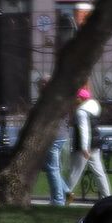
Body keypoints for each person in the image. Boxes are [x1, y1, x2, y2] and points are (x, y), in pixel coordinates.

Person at [66, 86, 111, 201]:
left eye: (76, 97)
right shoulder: (93, 108)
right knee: (100, 173)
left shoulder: (82, 111)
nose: (75, 99)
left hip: (84, 148)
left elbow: (84, 130)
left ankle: (65, 197)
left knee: (74, 173)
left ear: (81, 98)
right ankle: (108, 197)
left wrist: (84, 147)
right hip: (95, 146)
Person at [37, 77, 69, 207]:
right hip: (61, 135)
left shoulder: (51, 99)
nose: (39, 87)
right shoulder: (60, 96)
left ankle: (58, 200)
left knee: (52, 169)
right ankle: (66, 192)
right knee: (52, 167)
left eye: (40, 84)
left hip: (54, 136)